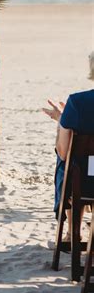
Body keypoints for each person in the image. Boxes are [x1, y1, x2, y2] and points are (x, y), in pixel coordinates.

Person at [42, 57, 94, 237]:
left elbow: (64, 153)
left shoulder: (78, 103)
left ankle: (73, 233)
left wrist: (61, 121)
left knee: (72, 166)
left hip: (87, 181)